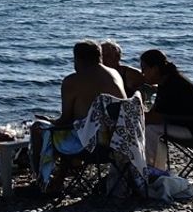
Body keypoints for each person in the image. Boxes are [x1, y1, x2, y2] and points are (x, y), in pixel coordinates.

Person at [30, 40, 126, 193]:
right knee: (78, 127)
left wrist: (49, 121)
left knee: (38, 128)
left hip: (89, 147)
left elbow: (65, 120)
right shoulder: (115, 74)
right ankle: (58, 180)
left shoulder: (72, 81)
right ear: (99, 57)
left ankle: (41, 181)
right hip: (118, 141)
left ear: (78, 59)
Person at [139, 49, 193, 169]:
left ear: (154, 69)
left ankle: (150, 169)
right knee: (150, 127)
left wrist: (133, 117)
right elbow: (154, 113)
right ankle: (153, 168)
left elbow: (156, 118)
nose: (142, 72)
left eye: (144, 68)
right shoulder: (168, 80)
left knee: (151, 130)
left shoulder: (172, 85)